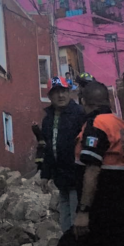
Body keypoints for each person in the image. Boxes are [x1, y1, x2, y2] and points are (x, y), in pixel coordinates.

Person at [55, 81, 124, 246]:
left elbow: (93, 169)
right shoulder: (120, 124)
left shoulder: (97, 124)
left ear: (84, 102)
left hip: (102, 206)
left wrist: (83, 211)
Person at [39, 76, 87, 232]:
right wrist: (45, 175)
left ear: (69, 92)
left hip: (77, 177)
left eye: (63, 91)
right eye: (56, 92)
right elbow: (48, 148)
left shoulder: (80, 114)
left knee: (76, 219)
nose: (60, 95)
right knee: (65, 220)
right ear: (50, 96)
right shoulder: (48, 120)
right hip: (61, 179)